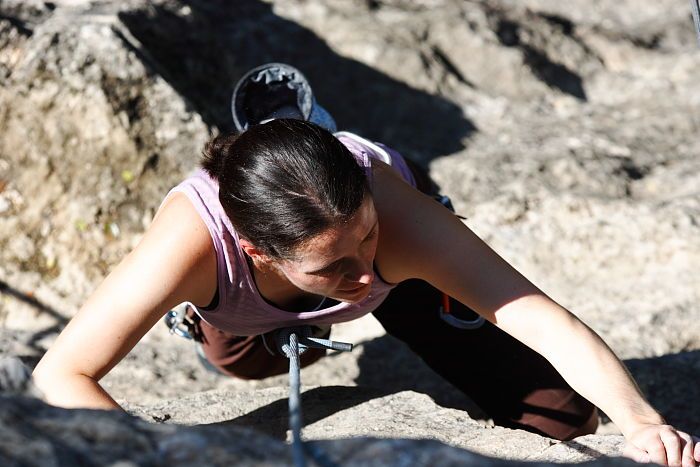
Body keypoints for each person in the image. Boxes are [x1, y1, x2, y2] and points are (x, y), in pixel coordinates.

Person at [33, 64, 699, 467]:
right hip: (242, 307)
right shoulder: (191, 245)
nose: (360, 269)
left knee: (561, 414)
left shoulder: (394, 223)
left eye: (365, 240)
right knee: (250, 361)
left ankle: (311, 145)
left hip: (401, 279)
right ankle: (270, 175)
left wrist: (639, 420)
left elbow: (546, 322)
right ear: (256, 249)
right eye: (333, 266)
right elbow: (61, 372)